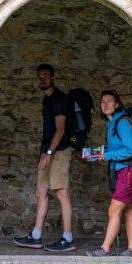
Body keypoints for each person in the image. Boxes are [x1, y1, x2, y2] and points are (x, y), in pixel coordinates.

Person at [13, 64, 76, 252]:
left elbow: (61, 130)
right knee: (41, 191)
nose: (42, 79)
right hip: (47, 150)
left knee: (61, 193)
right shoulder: (47, 99)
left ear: (53, 77)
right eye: (39, 76)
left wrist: (48, 153)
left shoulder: (59, 99)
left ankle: (68, 238)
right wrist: (45, 152)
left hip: (60, 150)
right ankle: (36, 236)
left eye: (46, 76)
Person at [86, 89, 132, 257]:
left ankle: (105, 249)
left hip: (128, 171)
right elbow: (117, 148)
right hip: (123, 171)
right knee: (128, 210)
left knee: (113, 211)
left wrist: (106, 155)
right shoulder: (111, 124)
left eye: (109, 101)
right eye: (103, 101)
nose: (105, 104)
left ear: (117, 104)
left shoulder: (123, 122)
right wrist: (97, 153)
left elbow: (131, 150)